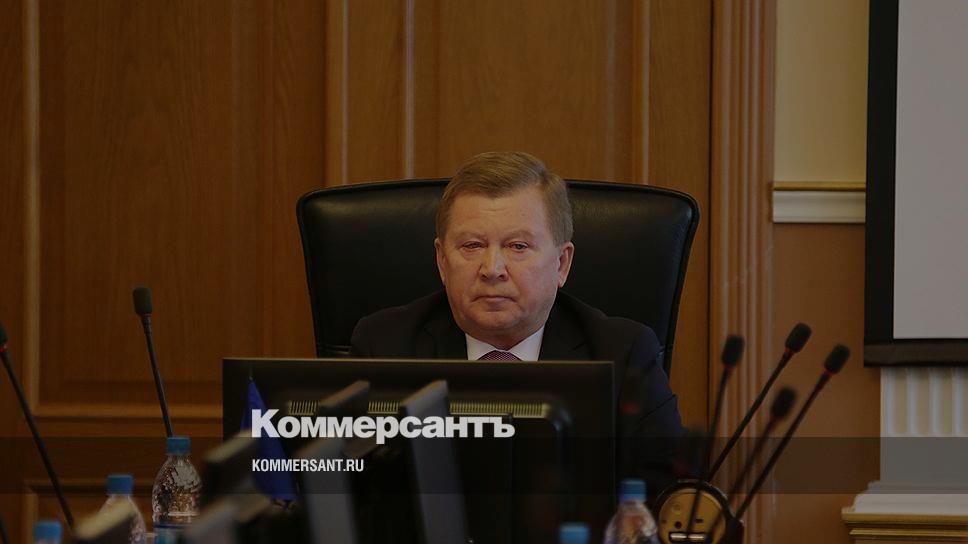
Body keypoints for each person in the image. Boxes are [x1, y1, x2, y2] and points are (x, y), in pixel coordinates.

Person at [350, 151, 684, 495]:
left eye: (518, 246)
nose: (492, 268)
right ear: (442, 261)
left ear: (561, 264)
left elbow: (666, 498)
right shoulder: (384, 347)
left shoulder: (623, 356)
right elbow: (346, 491)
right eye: (472, 245)